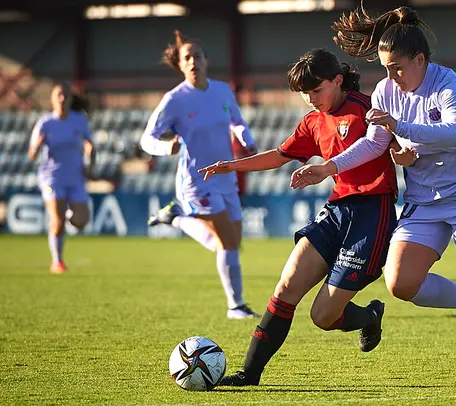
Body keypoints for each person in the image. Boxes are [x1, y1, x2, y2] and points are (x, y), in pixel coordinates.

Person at [291, 6, 456, 387]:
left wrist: (402, 128)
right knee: (400, 284)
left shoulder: (446, 83)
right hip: (424, 198)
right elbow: (374, 144)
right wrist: (330, 168)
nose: (391, 76)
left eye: (397, 67)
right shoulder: (385, 90)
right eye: (385, 68)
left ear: (420, 60)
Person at [198, 48, 401, 386]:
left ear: (337, 81)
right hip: (336, 210)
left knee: (322, 316)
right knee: (286, 286)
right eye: (305, 94)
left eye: (316, 90)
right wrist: (230, 165)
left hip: (372, 212)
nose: (310, 99)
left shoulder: (367, 109)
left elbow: (392, 143)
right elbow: (279, 155)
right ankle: (249, 375)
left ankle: (369, 316)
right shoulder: (312, 121)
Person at [140, 30, 258, 319]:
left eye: (197, 56)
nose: (193, 61)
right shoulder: (175, 100)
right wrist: (165, 146)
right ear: (180, 65)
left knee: (231, 242)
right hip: (197, 180)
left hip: (226, 177)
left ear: (207, 60)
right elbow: (147, 139)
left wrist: (247, 140)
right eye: (187, 57)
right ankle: (236, 306)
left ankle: (177, 218)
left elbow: (237, 121)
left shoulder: (222, 91)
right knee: (228, 244)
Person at [28, 83, 94, 274]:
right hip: (51, 178)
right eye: (59, 95)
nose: (62, 99)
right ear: (52, 99)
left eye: (65, 95)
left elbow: (89, 144)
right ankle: (57, 261)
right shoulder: (45, 123)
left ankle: (66, 214)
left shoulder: (79, 120)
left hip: (75, 177)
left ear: (71, 99)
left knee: (81, 221)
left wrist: (90, 161)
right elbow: (31, 154)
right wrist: (37, 146)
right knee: (56, 220)